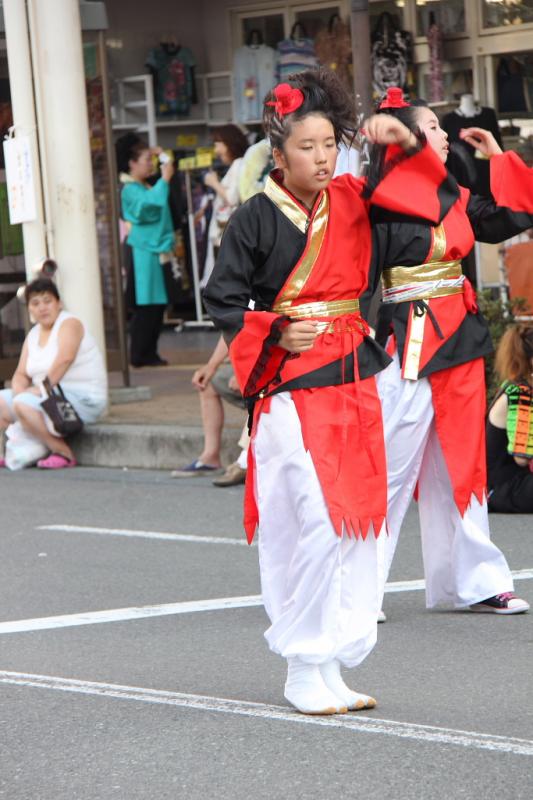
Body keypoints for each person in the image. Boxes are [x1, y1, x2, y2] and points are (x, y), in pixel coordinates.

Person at [203, 69, 446, 715]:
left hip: (354, 377)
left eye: (328, 143)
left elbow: (418, 204)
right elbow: (222, 296)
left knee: (356, 522)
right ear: (277, 155)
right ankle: (302, 662)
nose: (319, 156)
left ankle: (336, 652)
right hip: (291, 385)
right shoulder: (256, 217)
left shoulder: (352, 199)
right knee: (308, 518)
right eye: (304, 146)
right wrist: (278, 331)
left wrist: (401, 141)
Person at [363, 87, 533, 615]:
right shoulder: (373, 197)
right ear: (404, 139)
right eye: (432, 127)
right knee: (389, 469)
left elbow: (514, 214)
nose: (443, 135)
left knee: (464, 464)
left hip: (458, 336)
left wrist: (498, 154)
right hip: (407, 341)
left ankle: (473, 583)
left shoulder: (456, 195)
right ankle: (357, 589)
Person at [0, 278, 107, 469]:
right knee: (6, 401)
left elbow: (65, 358)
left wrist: (40, 389)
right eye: (35, 303)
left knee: (23, 405)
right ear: (30, 309)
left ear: (59, 303)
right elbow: (21, 374)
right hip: (46, 397)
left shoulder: (69, 324)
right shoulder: (33, 335)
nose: (42, 307)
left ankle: (62, 452)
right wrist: (19, 391)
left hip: (81, 399)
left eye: (47, 301)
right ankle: (14, 450)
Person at [117, 136, 175, 367]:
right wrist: (165, 180)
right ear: (132, 163)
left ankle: (149, 353)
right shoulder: (129, 189)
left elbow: (157, 195)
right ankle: (140, 354)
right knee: (146, 306)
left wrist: (162, 155)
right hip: (143, 251)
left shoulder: (143, 186)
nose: (150, 164)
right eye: (146, 160)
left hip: (152, 249)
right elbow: (149, 208)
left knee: (157, 305)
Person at [170, 334, 248, 483]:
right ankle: (210, 457)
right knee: (207, 382)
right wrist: (211, 366)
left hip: (278, 365)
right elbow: (231, 329)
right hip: (251, 361)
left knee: (261, 392)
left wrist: (248, 369)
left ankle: (245, 461)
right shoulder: (232, 313)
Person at [487, 325, 533, 513]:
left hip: (500, 485)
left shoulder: (513, 386)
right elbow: (521, 458)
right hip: (504, 488)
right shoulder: (521, 396)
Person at [200, 124, 248, 287]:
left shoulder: (240, 164)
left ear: (228, 143)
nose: (216, 150)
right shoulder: (238, 165)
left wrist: (214, 183)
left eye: (217, 144)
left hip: (227, 237)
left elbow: (232, 198)